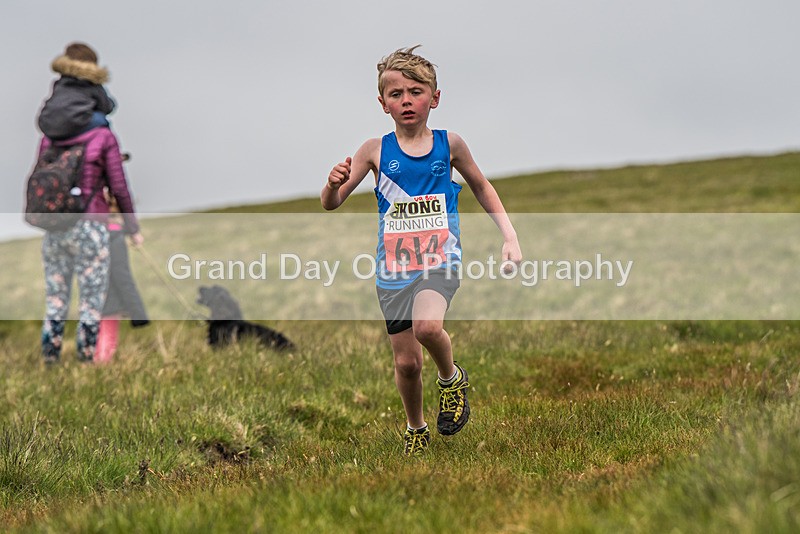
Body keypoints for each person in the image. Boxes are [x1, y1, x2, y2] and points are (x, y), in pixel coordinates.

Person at [321, 46, 522, 455]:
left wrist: (510, 236)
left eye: (415, 91)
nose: (406, 100)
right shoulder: (374, 150)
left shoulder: (450, 146)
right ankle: (416, 429)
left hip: (439, 259)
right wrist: (332, 181)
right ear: (383, 104)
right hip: (392, 270)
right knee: (407, 364)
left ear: (435, 97)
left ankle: (451, 379)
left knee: (428, 328)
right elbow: (332, 201)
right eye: (396, 94)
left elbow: (482, 187)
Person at [37, 45, 142, 365]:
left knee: (55, 299)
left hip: (55, 226)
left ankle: (50, 361)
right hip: (92, 225)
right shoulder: (102, 135)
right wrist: (132, 226)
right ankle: (86, 363)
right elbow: (119, 186)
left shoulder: (49, 135)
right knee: (91, 300)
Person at [94, 186, 150, 364]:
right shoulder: (115, 240)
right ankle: (101, 368)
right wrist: (138, 313)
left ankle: (95, 364)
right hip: (110, 302)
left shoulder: (95, 235)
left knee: (98, 335)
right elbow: (123, 277)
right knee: (107, 338)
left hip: (95, 298)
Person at [37, 42, 116, 140]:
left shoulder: (60, 83)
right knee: (101, 119)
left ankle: (52, 151)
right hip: (75, 121)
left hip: (48, 124)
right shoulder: (91, 84)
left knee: (52, 136)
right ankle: (104, 152)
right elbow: (106, 107)